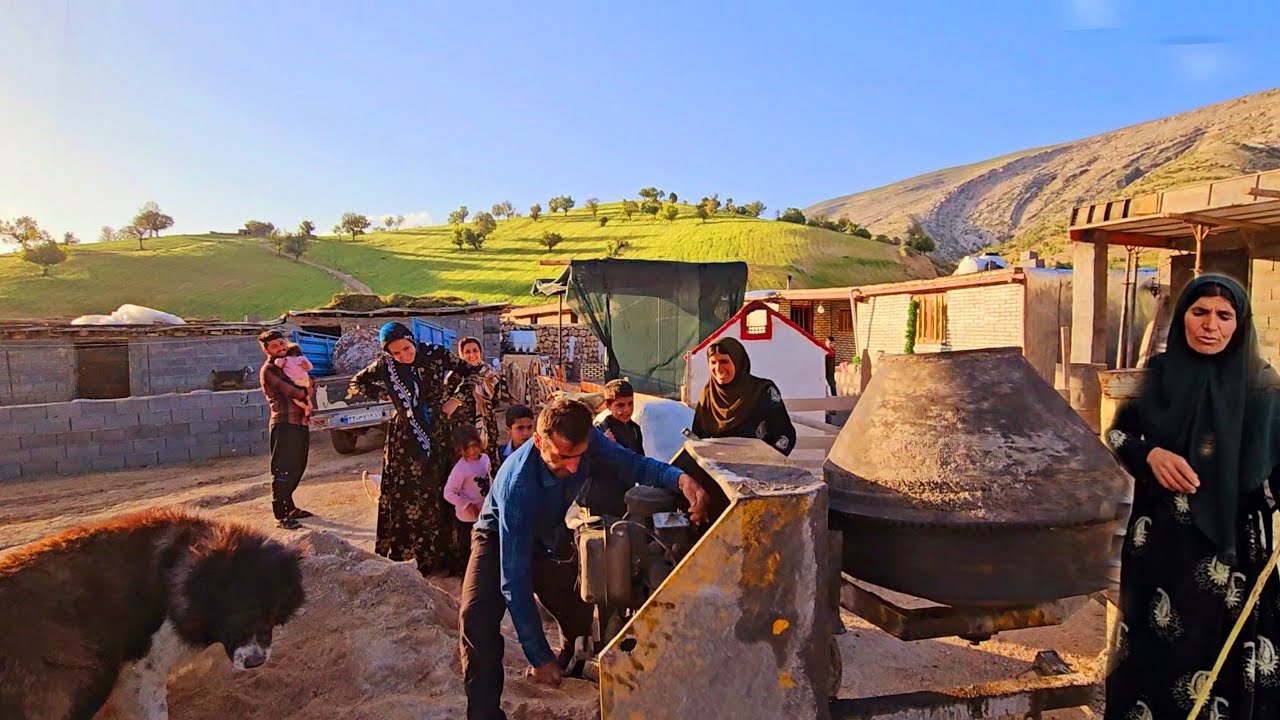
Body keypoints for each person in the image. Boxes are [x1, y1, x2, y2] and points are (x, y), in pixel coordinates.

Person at [459, 396, 710, 720]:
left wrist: (680, 479)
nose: (574, 467)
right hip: (498, 536)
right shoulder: (519, 485)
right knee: (476, 620)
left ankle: (573, 662)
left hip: (550, 532)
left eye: (579, 457)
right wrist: (538, 655)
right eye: (562, 457)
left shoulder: (589, 443)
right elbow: (514, 579)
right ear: (538, 441)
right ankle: (484, 714)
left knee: (579, 601)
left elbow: (634, 464)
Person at [1104, 274, 1280, 719]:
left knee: (1226, 656)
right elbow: (1120, 434)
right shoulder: (1159, 376)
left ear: (1240, 324)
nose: (1210, 325)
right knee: (1157, 656)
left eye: (1224, 316)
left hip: (1236, 549)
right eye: (1199, 312)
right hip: (1161, 546)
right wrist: (1152, 455)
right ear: (1183, 316)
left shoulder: (1264, 386)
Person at [350, 322, 471, 576]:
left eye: (406, 348)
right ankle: (416, 558)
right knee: (410, 495)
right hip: (404, 438)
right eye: (396, 353)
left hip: (438, 431)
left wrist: (455, 399)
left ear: (411, 339)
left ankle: (445, 557)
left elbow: (473, 371)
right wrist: (388, 395)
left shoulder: (435, 354)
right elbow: (358, 383)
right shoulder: (386, 367)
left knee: (441, 489)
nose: (404, 356)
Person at [691, 336, 797, 456]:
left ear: (738, 361)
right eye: (713, 362)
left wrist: (767, 462)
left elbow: (785, 435)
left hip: (758, 469)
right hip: (718, 470)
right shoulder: (708, 394)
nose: (718, 368)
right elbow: (698, 437)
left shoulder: (763, 391)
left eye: (724, 361)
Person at [257, 330, 313, 530]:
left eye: (281, 343)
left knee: (298, 465)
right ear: (266, 350)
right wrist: (306, 391)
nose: (280, 348)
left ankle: (290, 508)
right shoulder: (270, 370)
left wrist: (306, 387)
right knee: (283, 469)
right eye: (275, 346)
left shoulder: (291, 361)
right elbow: (295, 390)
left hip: (299, 422)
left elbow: (309, 381)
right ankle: (280, 514)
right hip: (284, 423)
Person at [446, 336, 510, 468]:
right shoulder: (455, 375)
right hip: (463, 426)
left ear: (480, 352)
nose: (472, 355)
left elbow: (496, 400)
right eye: (467, 352)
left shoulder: (490, 374)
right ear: (461, 354)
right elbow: (445, 398)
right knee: (464, 460)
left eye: (475, 350)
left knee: (487, 457)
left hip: (487, 424)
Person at [445, 424, 492, 560]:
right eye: (468, 448)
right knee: (468, 553)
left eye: (475, 445)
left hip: (484, 513)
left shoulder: (485, 459)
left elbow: (489, 479)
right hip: (467, 519)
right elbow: (449, 493)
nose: (472, 451)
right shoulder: (460, 469)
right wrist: (467, 505)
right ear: (460, 449)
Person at [596, 379, 644, 454]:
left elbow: (641, 461)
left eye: (630, 403)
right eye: (620, 405)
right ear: (608, 406)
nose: (627, 410)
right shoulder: (599, 432)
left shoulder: (635, 429)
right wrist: (604, 445)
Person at [274, 343, 315, 418]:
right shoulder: (301, 358)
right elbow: (310, 367)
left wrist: (276, 361)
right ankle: (309, 401)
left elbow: (278, 364)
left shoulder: (286, 359)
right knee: (307, 393)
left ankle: (305, 407)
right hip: (305, 379)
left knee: (295, 398)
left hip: (295, 381)